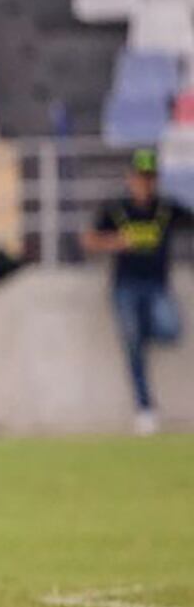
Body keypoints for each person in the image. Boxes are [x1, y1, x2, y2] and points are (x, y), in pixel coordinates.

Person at [84, 148, 189, 434]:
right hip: (125, 286)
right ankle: (145, 409)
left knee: (170, 329)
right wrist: (115, 242)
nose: (145, 183)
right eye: (140, 177)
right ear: (130, 178)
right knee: (132, 347)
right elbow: (89, 240)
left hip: (158, 286)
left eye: (150, 177)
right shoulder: (116, 210)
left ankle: (142, 330)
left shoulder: (166, 209)